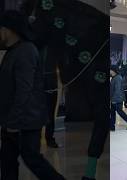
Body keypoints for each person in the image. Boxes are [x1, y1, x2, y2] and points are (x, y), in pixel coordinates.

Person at [0, 10, 65, 180]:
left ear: (8, 29)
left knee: (33, 159)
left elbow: (24, 90)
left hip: (26, 120)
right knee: (7, 160)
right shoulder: (13, 51)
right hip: (14, 120)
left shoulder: (26, 51)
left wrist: (13, 121)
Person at [110, 65, 127, 131]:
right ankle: (112, 127)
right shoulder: (114, 77)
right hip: (114, 99)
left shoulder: (118, 78)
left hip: (117, 99)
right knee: (112, 112)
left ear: (113, 71)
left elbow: (118, 90)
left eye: (110, 70)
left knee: (120, 112)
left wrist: (114, 100)